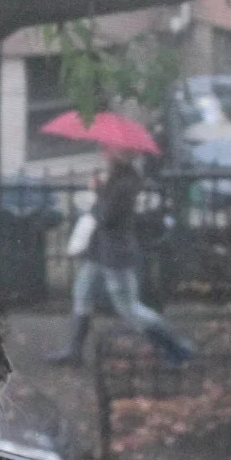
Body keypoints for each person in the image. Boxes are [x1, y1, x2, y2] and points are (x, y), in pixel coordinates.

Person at [48, 148, 194, 366]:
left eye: (110, 152)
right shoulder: (117, 180)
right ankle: (74, 350)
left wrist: (98, 192)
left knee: (129, 307)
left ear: (121, 156)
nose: (105, 155)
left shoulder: (125, 183)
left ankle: (178, 346)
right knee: (82, 293)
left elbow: (106, 216)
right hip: (99, 252)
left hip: (115, 254)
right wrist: (101, 189)